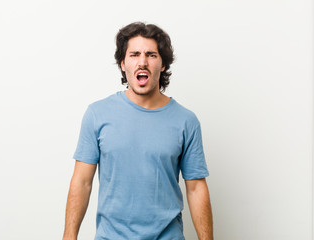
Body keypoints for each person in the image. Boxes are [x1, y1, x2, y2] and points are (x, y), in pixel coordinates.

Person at [63, 22, 213, 240]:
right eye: (134, 54)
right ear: (123, 64)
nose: (142, 62)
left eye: (151, 55)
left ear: (162, 64)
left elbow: (196, 188)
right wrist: (69, 236)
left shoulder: (186, 121)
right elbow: (82, 182)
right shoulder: (97, 114)